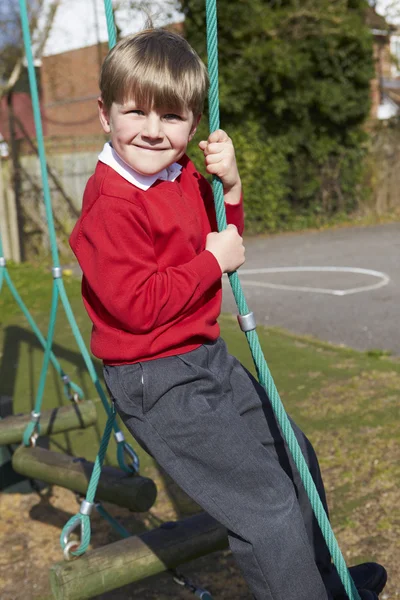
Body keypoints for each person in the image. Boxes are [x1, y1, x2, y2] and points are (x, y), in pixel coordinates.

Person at [69, 28, 386, 600]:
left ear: (192, 124)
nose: (151, 129)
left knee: (296, 459)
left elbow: (225, 236)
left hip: (203, 356)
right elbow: (138, 305)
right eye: (134, 111)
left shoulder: (178, 172)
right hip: (155, 378)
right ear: (104, 113)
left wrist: (231, 184)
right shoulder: (111, 205)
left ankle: (322, 583)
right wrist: (210, 264)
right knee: (265, 509)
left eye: (171, 116)